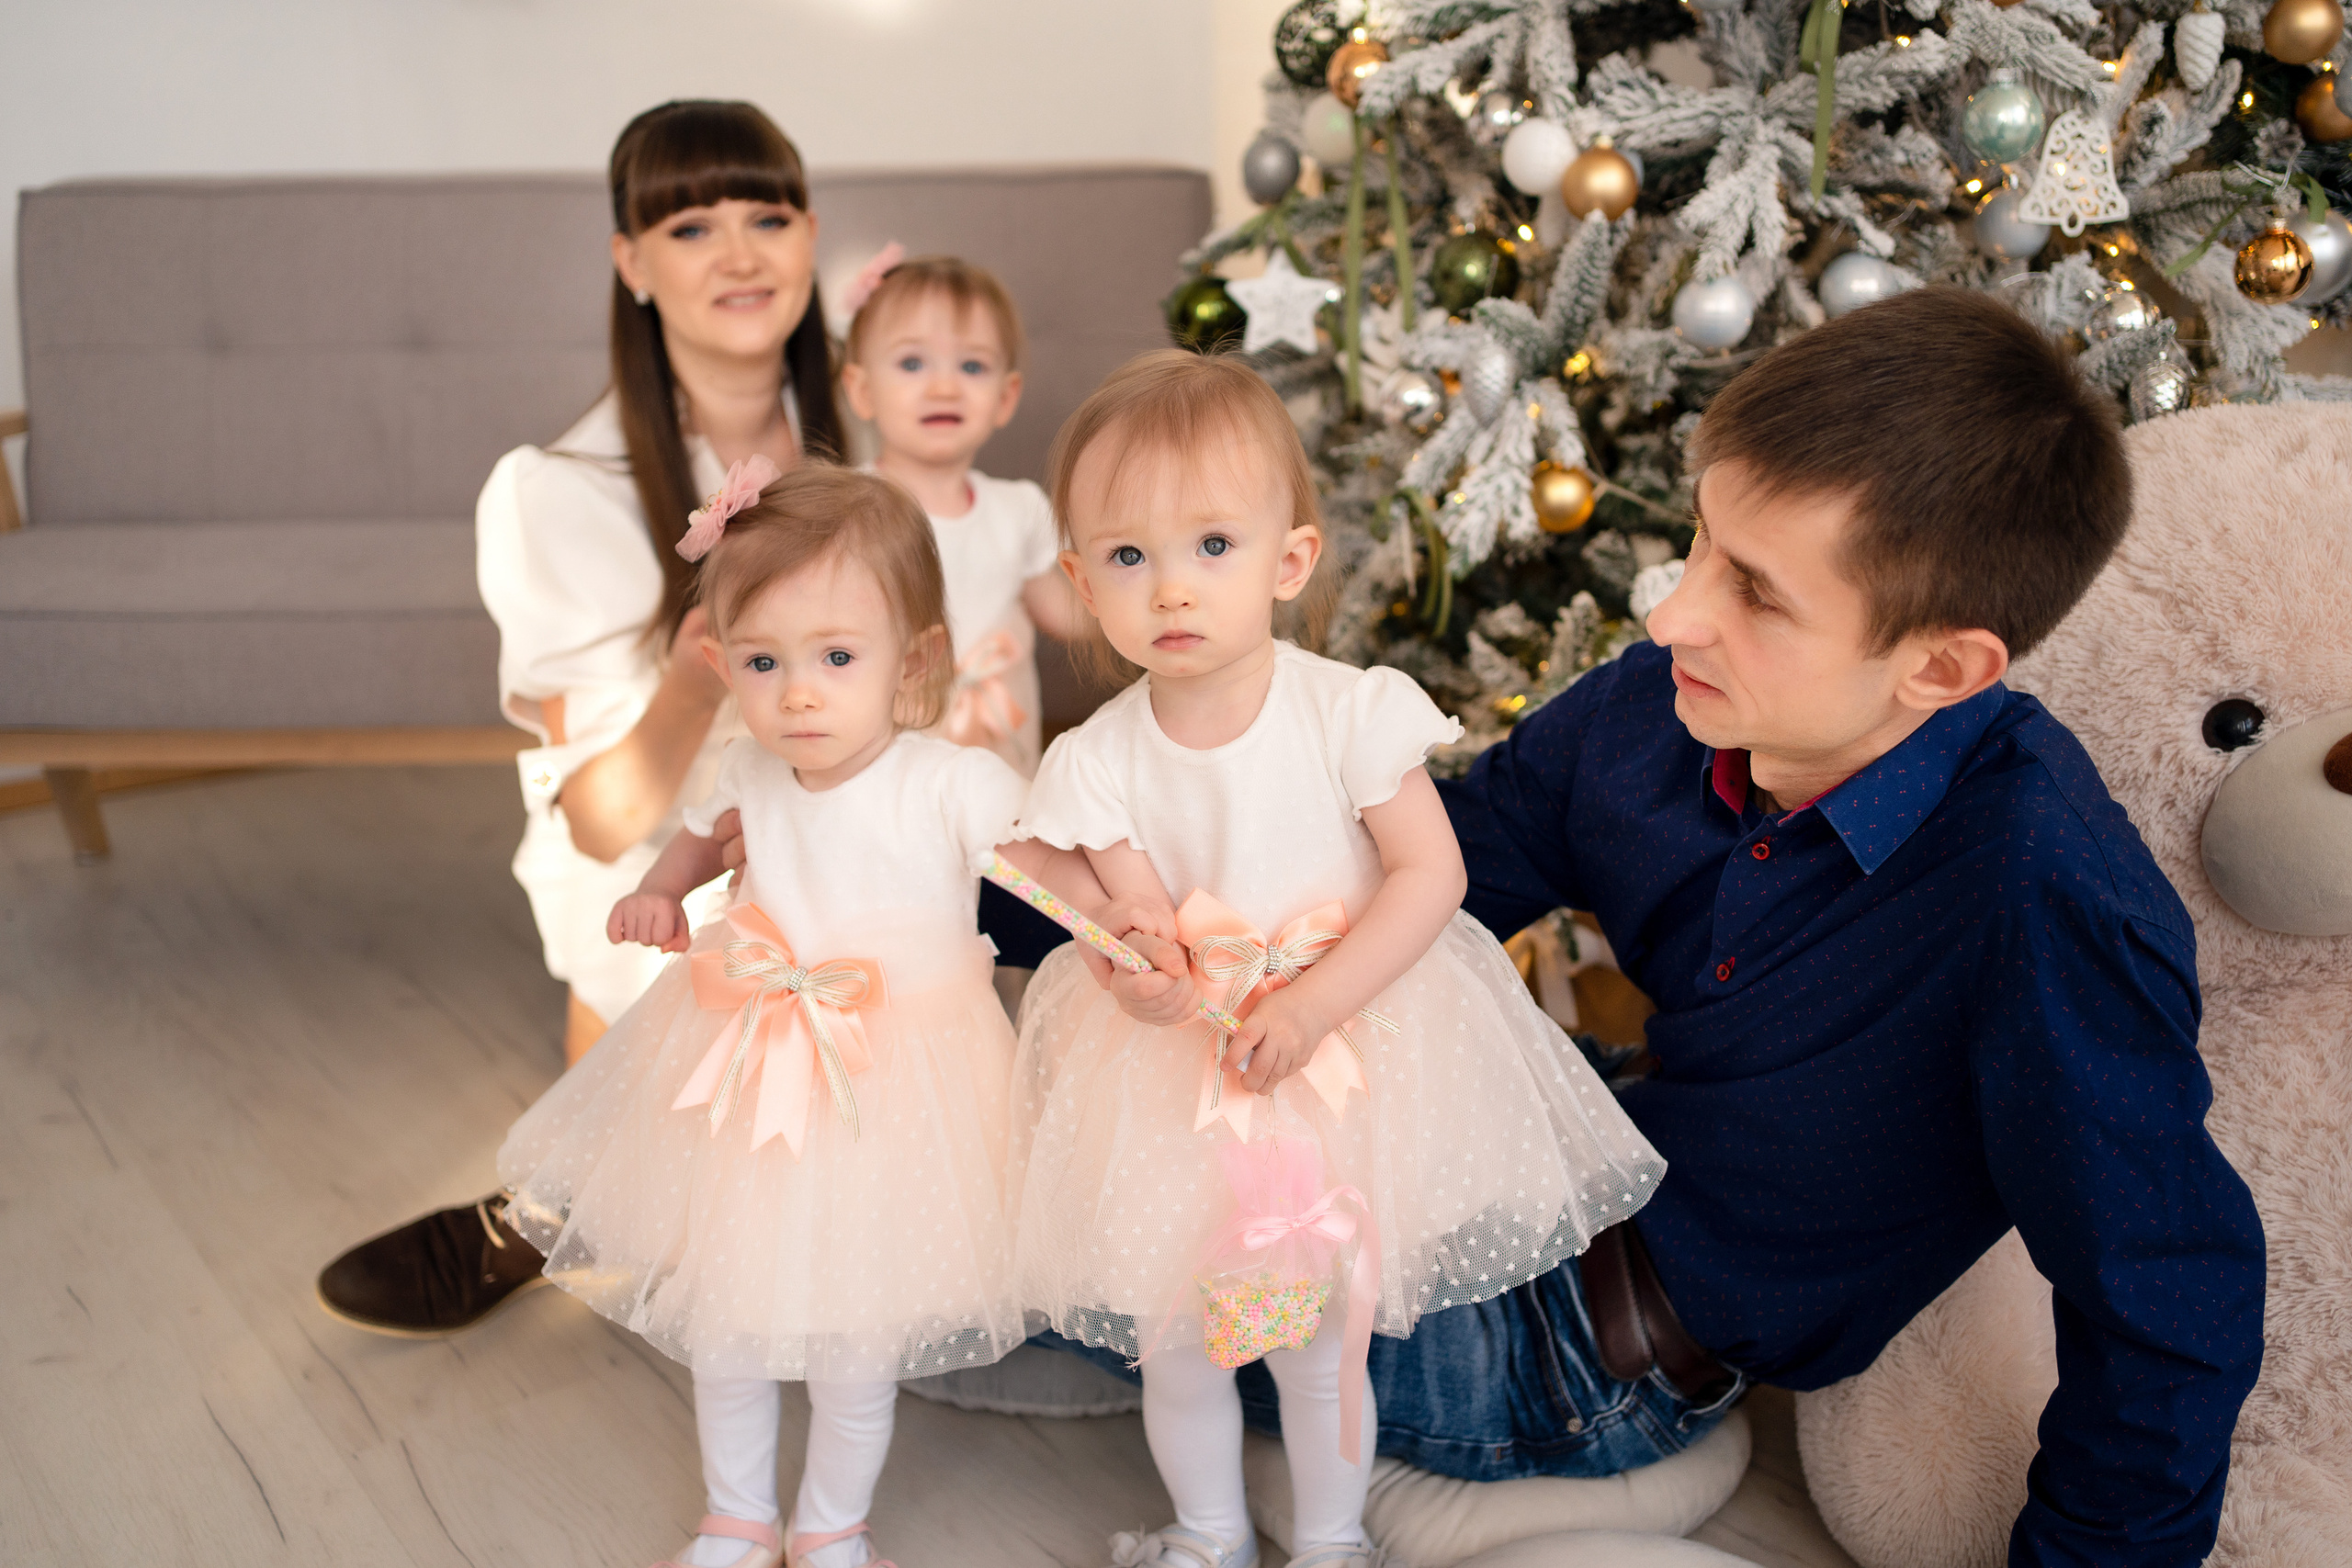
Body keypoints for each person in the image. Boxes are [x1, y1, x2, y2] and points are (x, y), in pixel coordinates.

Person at [1283, 287, 2261, 1568]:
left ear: (1942, 670)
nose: (1672, 614)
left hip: (1590, 1356)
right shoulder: (1664, 701)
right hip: (1558, 1145)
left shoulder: (2045, 892)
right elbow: (1422, 876)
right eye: (1700, 544)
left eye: (1757, 592)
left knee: (1070, 1257)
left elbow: (2173, 1297)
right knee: (1076, 1097)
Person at [1009, 352, 1668, 1568]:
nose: (1173, 588)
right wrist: (1140, 973)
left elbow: (1435, 876)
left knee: (1324, 1339)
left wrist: (1314, 1004)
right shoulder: (1095, 759)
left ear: (1289, 560)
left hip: (1343, 1041)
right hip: (1183, 1079)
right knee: (1181, 1334)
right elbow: (1136, 917)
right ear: (1080, 579)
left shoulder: (1347, 710)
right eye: (1128, 555)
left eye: (1213, 544)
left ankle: (1332, 1536)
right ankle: (1209, 1529)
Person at [314, 99, 845, 1336]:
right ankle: (553, 1210)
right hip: (678, 848)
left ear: (812, 235)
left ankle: (580, 1204)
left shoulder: (870, 441)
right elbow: (600, 822)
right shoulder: (563, 495)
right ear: (631, 263)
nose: (740, 254)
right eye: (693, 224)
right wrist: (696, 677)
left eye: (767, 217)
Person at [500, 464, 1092, 1568]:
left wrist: (1120, 924)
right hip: (749, 1064)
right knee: (727, 1320)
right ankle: (735, 1512)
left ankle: (830, 1523)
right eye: (764, 664)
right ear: (725, 664)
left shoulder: (946, 782)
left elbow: (1046, 870)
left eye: (835, 659)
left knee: (854, 1343)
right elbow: (693, 836)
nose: (799, 694)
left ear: (910, 662)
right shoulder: (748, 771)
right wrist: (660, 893)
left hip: (899, 1086)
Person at [838, 250, 1086, 778]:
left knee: (998, 852)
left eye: (972, 366)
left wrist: (1140, 579)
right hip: (886, 757)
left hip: (997, 751)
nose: (945, 386)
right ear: (861, 390)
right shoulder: (845, 507)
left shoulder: (1018, 509)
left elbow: (1068, 615)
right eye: (912, 363)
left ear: (1005, 396)